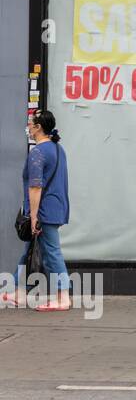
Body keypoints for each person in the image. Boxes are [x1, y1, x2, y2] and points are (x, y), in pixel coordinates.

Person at [3, 110, 72, 311]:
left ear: (38, 127)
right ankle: (18, 292)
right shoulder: (59, 149)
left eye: (30, 123)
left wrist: (33, 216)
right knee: (29, 251)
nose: (28, 127)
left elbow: (35, 186)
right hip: (56, 207)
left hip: (43, 211)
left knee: (52, 252)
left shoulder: (38, 152)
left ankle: (63, 297)